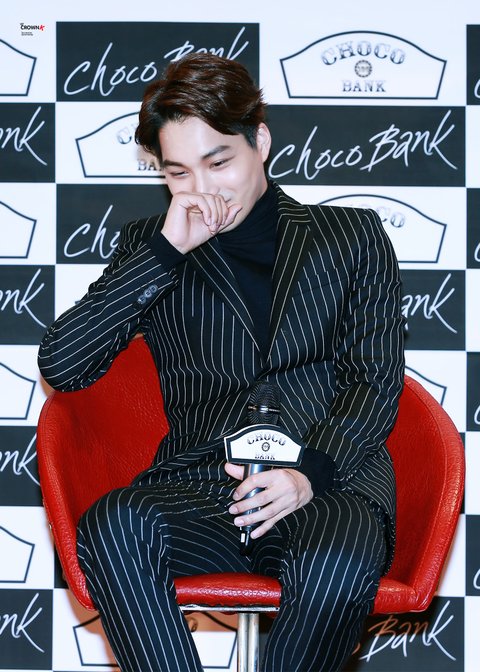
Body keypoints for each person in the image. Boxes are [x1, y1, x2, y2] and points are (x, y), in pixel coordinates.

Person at [38, 52, 405, 672]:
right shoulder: (151, 245)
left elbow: (374, 379)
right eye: (178, 173)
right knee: (113, 527)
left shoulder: (351, 235)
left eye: (219, 162)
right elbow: (65, 365)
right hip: (202, 489)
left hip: (325, 485)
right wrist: (167, 251)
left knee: (337, 557)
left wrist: (308, 474)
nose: (203, 190)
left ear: (259, 141)